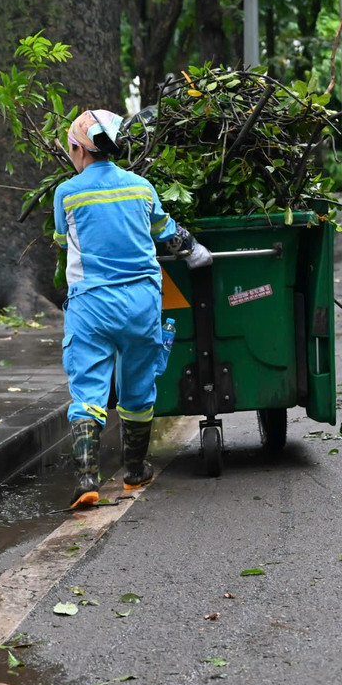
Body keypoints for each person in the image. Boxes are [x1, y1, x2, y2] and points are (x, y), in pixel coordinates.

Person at [53, 109, 211, 509]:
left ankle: (87, 479)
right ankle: (136, 471)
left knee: (87, 389)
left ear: (78, 150)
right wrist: (194, 250)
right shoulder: (141, 187)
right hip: (141, 303)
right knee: (138, 388)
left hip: (91, 306)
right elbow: (167, 232)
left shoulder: (67, 193)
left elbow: (61, 241)